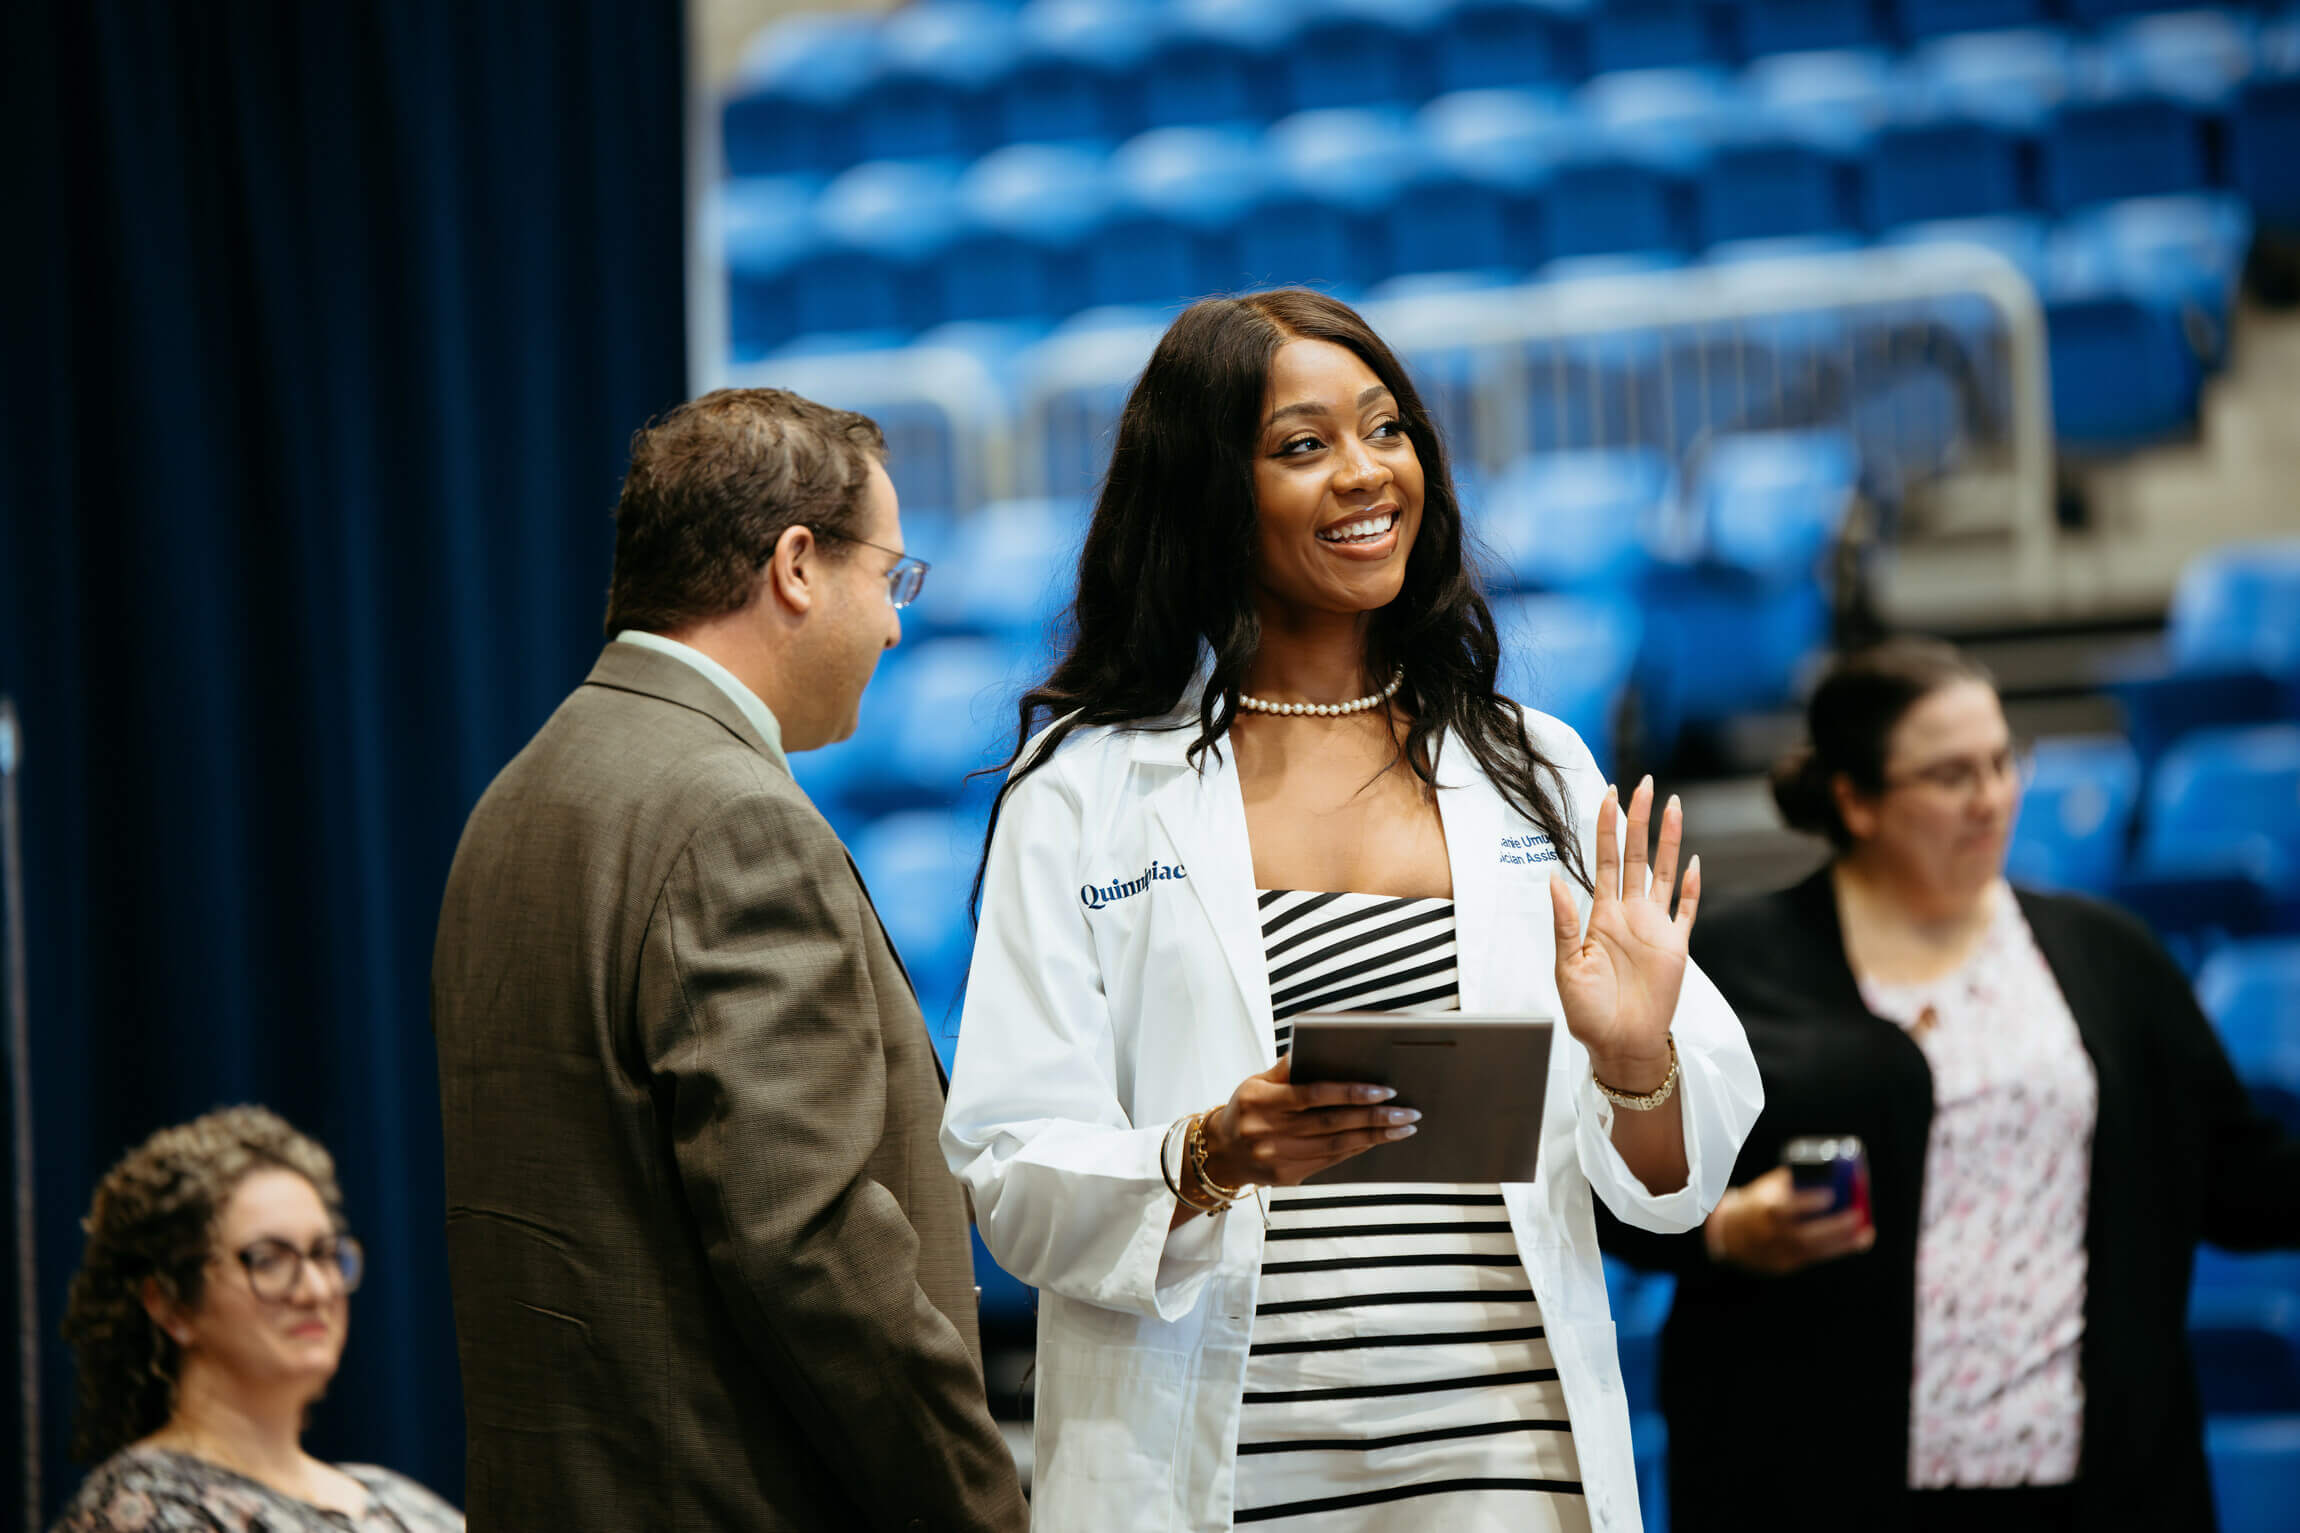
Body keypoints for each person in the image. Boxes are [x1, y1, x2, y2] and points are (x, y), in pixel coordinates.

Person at [941, 289, 1762, 1532]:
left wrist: (1636, 1058)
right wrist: (1208, 1155)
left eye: (1385, 430)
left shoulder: (1532, 767)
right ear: (1209, 492)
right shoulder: (1084, 790)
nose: (1366, 473)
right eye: (1301, 446)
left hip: (1502, 1473)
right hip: (1224, 1477)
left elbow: (1670, 1185)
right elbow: (1006, 1172)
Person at [431, 389, 1025, 1530]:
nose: (897, 626)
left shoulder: (516, 798)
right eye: (891, 579)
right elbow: (810, 1249)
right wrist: (980, 1506)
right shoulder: (730, 819)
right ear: (796, 564)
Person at [1599, 637, 2300, 1532]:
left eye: (2004, 762)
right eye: (1951, 774)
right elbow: (1614, 1188)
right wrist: (1728, 1230)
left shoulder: (2107, 955)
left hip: (2097, 1483)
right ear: (1855, 798)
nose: (1992, 798)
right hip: (1821, 1479)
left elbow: (2241, 1184)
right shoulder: (1733, 964)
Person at [53, 1106, 462, 1532]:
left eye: (323, 1254)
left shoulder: (396, 1498)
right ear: (170, 1305)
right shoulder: (137, 1504)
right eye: (269, 1261)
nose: (316, 1291)